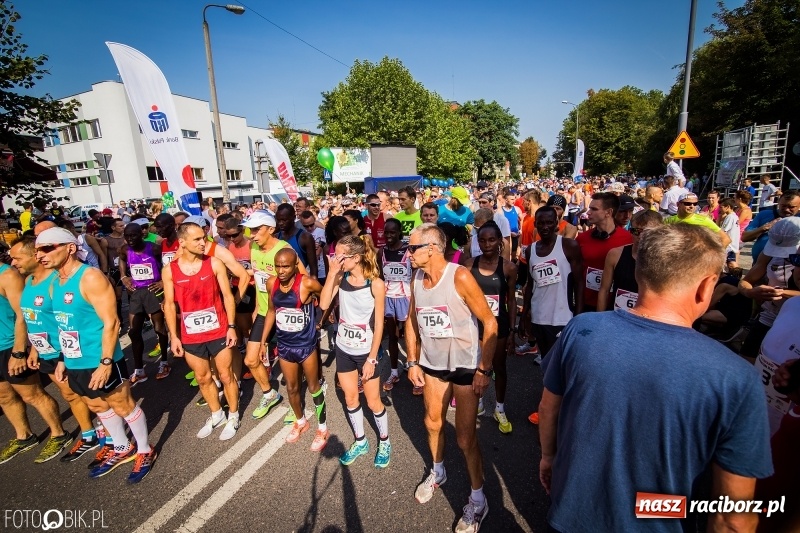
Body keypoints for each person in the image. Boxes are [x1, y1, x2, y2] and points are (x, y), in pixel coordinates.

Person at [538, 224, 773, 533]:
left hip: (570, 515)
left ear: (639, 274)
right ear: (706, 287)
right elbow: (733, 518)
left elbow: (548, 406)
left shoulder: (581, 330)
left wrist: (548, 457)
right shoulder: (738, 378)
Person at [36, 227, 157, 482]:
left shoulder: (89, 277)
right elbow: (62, 323)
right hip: (74, 358)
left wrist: (105, 362)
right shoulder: (54, 281)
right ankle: (123, 446)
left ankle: (145, 449)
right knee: (97, 404)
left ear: (70, 248)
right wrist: (61, 358)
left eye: (47, 248)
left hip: (101, 356)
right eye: (37, 250)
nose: (40, 255)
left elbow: (112, 322)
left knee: (122, 404)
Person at [405, 223, 497, 533]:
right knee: (432, 423)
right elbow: (411, 320)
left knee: (465, 437)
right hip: (432, 364)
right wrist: (412, 361)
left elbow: (490, 323)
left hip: (465, 366)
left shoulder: (459, 276)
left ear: (431, 248)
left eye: (412, 247)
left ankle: (478, 499)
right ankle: (439, 471)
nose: (408, 252)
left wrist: (484, 369)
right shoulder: (417, 277)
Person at [162, 222, 241, 440]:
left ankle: (233, 415)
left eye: (204, 238)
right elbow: (169, 305)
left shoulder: (214, 263)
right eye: (197, 239)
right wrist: (174, 336)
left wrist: (232, 327)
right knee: (203, 377)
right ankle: (217, 414)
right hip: (191, 335)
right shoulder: (170, 270)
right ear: (182, 243)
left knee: (226, 375)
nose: (203, 243)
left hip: (219, 330)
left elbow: (227, 296)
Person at [0, 240, 75, 465]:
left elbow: (23, 314)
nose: (14, 262)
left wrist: (20, 351)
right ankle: (24, 436)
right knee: (4, 396)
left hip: (9, 346)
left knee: (31, 394)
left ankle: (59, 433)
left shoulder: (8, 276)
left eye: (17, 258)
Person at [320, 235, 390, 466]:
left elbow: (380, 324)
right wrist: (331, 273)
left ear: (356, 257)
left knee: (373, 402)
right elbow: (322, 305)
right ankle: (361, 441)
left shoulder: (376, 284)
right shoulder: (340, 277)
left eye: (340, 256)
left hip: (365, 351)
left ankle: (384, 440)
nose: (335, 259)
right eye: (335, 255)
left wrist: (371, 359)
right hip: (343, 348)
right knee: (350, 398)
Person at [240, 211, 304, 421]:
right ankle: (270, 394)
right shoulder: (254, 248)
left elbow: (303, 278)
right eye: (250, 230)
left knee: (295, 364)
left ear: (271, 229)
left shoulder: (284, 250)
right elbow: (260, 283)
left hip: (287, 313)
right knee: (251, 359)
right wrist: (256, 310)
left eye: (257, 230)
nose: (251, 235)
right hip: (265, 312)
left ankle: (298, 403)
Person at [265, 248, 328, 450]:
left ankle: (322, 428)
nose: (281, 271)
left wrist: (322, 319)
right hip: (284, 345)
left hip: (305, 345)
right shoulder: (271, 283)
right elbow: (271, 311)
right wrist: (262, 341)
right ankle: (301, 421)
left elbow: (326, 298)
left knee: (313, 387)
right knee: (291, 388)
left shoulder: (307, 283)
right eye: (278, 266)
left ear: (294, 266)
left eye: (285, 266)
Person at [468, 221, 517, 434]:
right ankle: (477, 402)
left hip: (499, 326)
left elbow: (512, 300)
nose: (487, 244)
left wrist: (513, 330)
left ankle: (499, 407)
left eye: (491, 240)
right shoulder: (469, 265)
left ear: (499, 241)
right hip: (474, 326)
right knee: (476, 366)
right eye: (482, 240)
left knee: (498, 367)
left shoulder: (508, 267)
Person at [737, 217, 800, 361]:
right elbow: (746, 281)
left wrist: (782, 293)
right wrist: (749, 291)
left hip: (794, 322)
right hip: (769, 316)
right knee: (747, 359)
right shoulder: (768, 254)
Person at [118, 223, 170, 384]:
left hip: (154, 291)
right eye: (127, 236)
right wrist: (123, 276)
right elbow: (121, 259)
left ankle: (164, 363)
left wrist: (163, 281)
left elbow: (168, 265)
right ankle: (139, 369)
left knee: (159, 329)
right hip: (136, 293)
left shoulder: (154, 248)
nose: (130, 239)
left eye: (133, 235)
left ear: (141, 234)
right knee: (134, 332)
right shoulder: (125, 249)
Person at [575, 193, 633, 312]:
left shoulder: (628, 239)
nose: (588, 212)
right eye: (589, 208)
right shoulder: (582, 239)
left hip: (617, 307)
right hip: (587, 303)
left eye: (594, 209)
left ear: (608, 212)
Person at [597, 210, 663, 311]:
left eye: (647, 232)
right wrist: (600, 319)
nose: (640, 236)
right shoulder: (615, 254)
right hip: (617, 317)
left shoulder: (666, 260)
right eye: (636, 231)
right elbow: (604, 290)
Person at [377, 219, 415, 394]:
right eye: (387, 232)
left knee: (411, 337)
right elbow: (380, 276)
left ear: (399, 232)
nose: (389, 236)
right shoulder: (381, 252)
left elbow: (415, 274)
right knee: (392, 336)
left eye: (393, 232)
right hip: (389, 298)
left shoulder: (408, 250)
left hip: (406, 298)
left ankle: (414, 368)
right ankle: (393, 372)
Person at [741, 190, 800, 260]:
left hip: (788, 267)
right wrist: (764, 228)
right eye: (783, 206)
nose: (787, 209)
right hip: (759, 265)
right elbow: (745, 237)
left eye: (791, 207)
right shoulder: (764, 214)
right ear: (778, 202)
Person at [665, 193, 732, 248]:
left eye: (695, 204)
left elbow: (726, 239)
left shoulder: (703, 220)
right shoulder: (669, 220)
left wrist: (713, 257)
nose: (692, 206)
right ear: (678, 204)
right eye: (688, 204)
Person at [275, 203, 318, 278]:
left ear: (293, 217)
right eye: (278, 220)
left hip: (300, 283)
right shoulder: (276, 237)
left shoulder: (305, 237)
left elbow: (313, 268)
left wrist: (313, 284)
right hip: (281, 283)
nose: (281, 223)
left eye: (284, 220)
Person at [719, 198, 741, 268]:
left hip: (729, 246)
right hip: (733, 245)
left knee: (731, 263)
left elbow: (723, 232)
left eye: (721, 207)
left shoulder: (730, 217)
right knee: (730, 263)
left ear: (728, 207)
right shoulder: (735, 216)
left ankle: (736, 275)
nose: (720, 209)